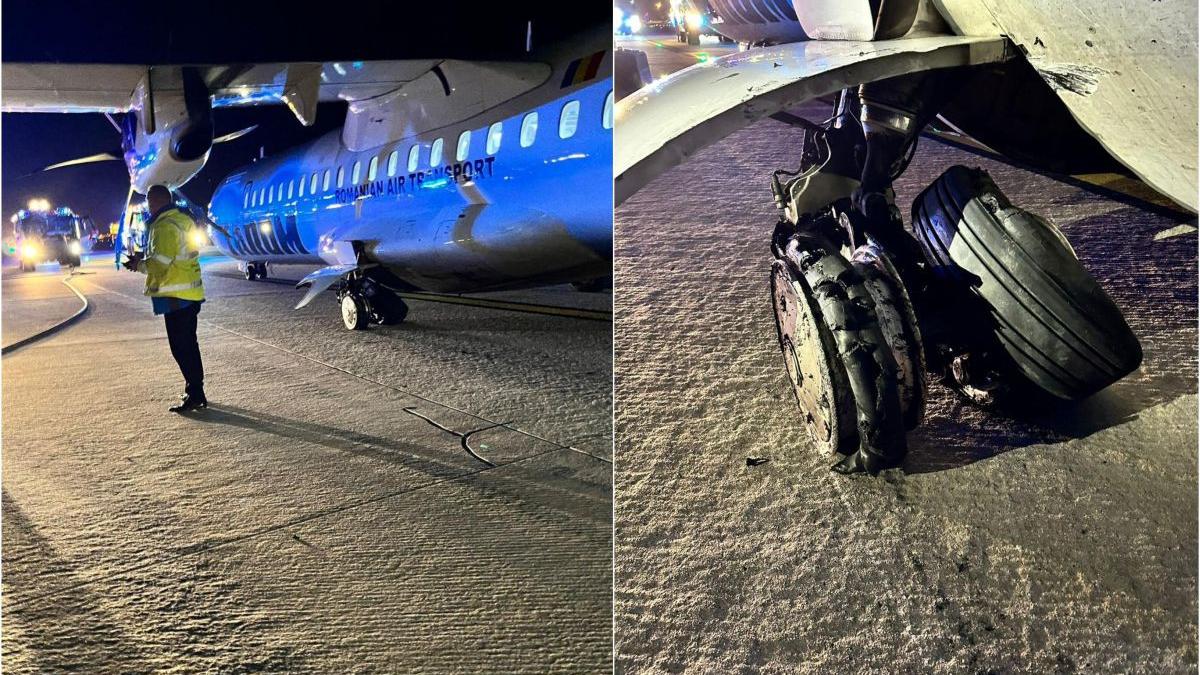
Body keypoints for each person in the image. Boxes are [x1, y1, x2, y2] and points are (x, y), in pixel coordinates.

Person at [123, 185, 208, 412]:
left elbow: (160, 263)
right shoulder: (179, 220)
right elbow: (171, 253)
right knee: (189, 344)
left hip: (175, 294)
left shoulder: (163, 226)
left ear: (154, 202)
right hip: (189, 293)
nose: (149, 208)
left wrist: (138, 264)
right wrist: (146, 257)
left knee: (180, 347)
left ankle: (195, 393)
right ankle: (197, 391)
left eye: (150, 203)